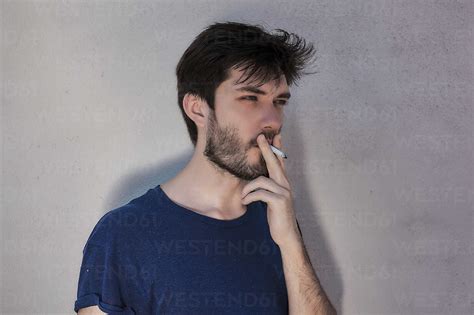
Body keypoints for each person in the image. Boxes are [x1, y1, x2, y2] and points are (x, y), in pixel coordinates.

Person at [74, 21, 336, 314]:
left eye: (279, 102)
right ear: (197, 108)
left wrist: (290, 242)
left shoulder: (277, 222)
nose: (272, 119)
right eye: (250, 98)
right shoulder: (122, 235)